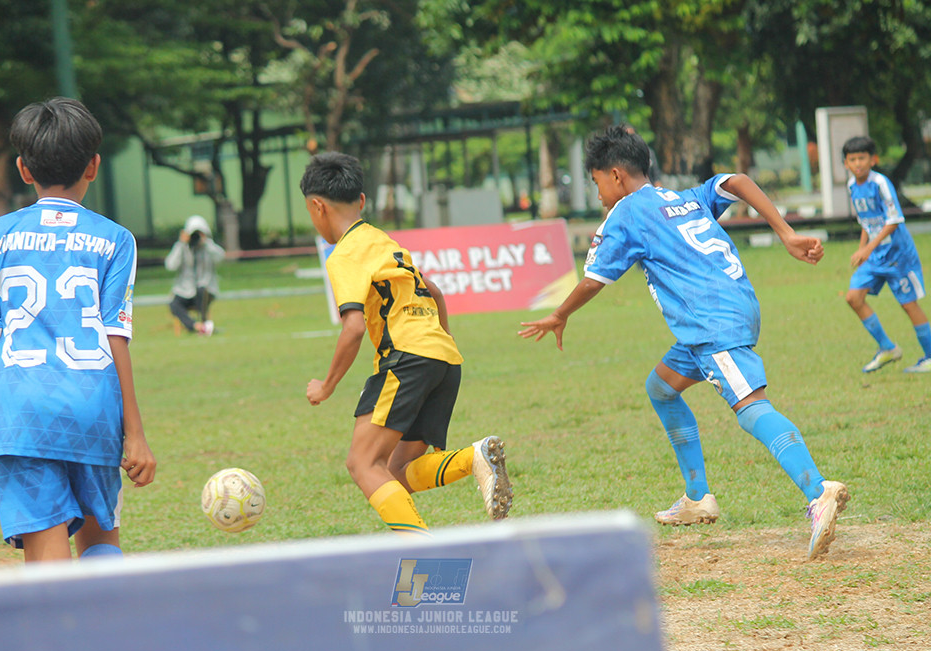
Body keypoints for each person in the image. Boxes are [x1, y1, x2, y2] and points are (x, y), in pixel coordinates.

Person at [519, 125, 849, 560]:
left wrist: (560, 314)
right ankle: (697, 499)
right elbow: (737, 182)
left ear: (615, 175)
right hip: (729, 310)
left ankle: (818, 489)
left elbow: (594, 279)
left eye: (596, 180)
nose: (597, 191)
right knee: (661, 387)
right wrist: (785, 232)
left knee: (751, 409)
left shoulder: (625, 214)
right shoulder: (680, 197)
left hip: (711, 322)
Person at [0, 97, 156, 562]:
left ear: (23, 169)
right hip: (94, 412)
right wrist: (135, 433)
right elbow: (116, 336)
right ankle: (107, 634)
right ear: (94, 166)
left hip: (24, 418)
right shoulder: (115, 239)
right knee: (100, 548)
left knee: (49, 574)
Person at [300, 151, 512, 535]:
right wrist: (442, 341)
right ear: (362, 201)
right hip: (444, 360)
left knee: (362, 464)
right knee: (394, 470)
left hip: (407, 360)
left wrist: (326, 386)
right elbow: (433, 290)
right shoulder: (383, 241)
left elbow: (352, 328)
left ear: (317, 207)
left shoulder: (344, 253)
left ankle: (421, 551)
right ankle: (473, 458)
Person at [842, 136, 930, 374]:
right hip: (874, 256)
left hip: (897, 255)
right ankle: (887, 348)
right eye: (853, 159)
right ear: (846, 163)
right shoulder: (852, 186)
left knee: (908, 304)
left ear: (873, 160)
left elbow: (893, 220)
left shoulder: (880, 183)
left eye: (862, 158)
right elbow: (866, 222)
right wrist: (863, 250)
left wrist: (867, 249)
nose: (858, 163)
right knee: (853, 298)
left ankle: (930, 357)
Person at [165, 214, 225, 336]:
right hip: (185, 290)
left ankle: (205, 324)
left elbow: (221, 257)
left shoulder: (209, 248)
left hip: (205, 290)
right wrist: (181, 244)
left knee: (202, 290)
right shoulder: (183, 248)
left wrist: (206, 242)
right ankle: (195, 326)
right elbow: (170, 265)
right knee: (173, 304)